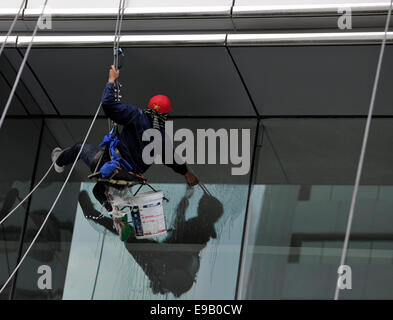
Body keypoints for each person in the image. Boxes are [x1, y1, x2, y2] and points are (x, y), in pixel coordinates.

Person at [51, 65, 199, 219]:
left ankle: (59, 161)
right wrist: (186, 173)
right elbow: (172, 160)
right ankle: (112, 211)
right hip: (127, 179)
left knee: (79, 148)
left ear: (149, 109)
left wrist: (111, 81)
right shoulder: (161, 136)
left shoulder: (137, 115)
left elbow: (108, 104)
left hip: (109, 166)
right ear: (165, 115)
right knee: (98, 190)